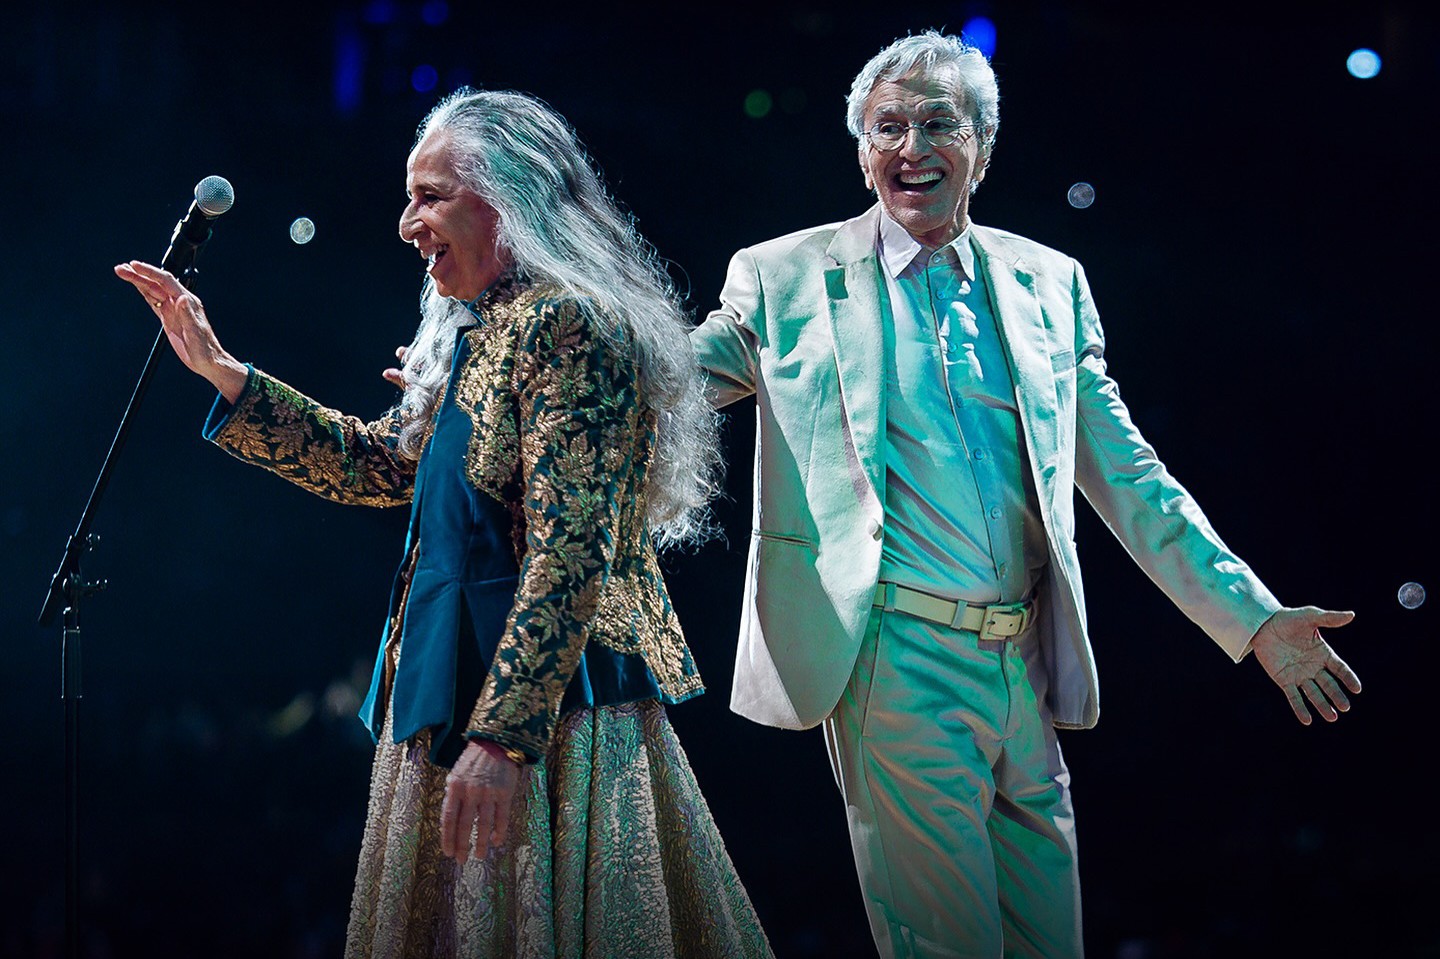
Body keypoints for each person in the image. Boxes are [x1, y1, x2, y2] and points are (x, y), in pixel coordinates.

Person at [690, 30, 1360, 959]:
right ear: (859, 148)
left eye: (937, 124)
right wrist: (522, 361)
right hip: (894, 658)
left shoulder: (1049, 282)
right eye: (887, 128)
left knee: (1051, 944)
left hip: (1023, 666)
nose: (910, 148)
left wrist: (1254, 617)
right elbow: (667, 375)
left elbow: (1129, 475)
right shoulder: (784, 277)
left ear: (984, 145)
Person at [116, 87, 773, 959]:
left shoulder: (568, 326)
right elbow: (383, 465)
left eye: (431, 195)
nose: (404, 222)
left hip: (543, 715)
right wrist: (227, 374)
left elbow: (572, 548)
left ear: (512, 199)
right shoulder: (480, 329)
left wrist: (503, 739)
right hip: (451, 680)